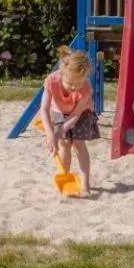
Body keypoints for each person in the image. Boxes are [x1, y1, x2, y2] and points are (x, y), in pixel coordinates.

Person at [40, 46, 98, 195]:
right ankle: (65, 176)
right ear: (62, 73)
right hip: (59, 111)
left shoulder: (85, 88)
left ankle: (85, 183)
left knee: (79, 144)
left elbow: (76, 115)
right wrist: (50, 133)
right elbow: (44, 109)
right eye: (71, 83)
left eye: (78, 83)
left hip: (81, 113)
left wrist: (57, 133)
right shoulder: (52, 81)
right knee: (64, 144)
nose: (75, 87)